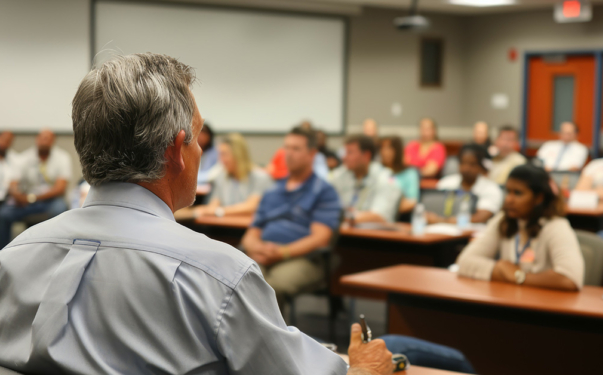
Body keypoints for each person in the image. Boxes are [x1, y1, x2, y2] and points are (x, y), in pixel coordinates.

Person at [0, 53, 393, 374]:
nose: (203, 152)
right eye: (198, 136)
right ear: (176, 151)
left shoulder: (14, 258)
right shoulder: (218, 277)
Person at [241, 127, 341, 311]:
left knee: (270, 287)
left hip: (305, 258)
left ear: (312, 154)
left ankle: (273, 339)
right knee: (241, 278)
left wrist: (282, 252)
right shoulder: (273, 191)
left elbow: (321, 238)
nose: (289, 153)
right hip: (266, 253)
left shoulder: (323, 191)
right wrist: (258, 248)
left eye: (296, 149)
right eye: (286, 147)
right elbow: (251, 234)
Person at [456, 164, 585, 291]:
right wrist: (501, 269)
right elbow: (464, 261)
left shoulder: (556, 226)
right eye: (508, 192)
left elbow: (571, 278)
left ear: (538, 198)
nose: (509, 200)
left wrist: (520, 277)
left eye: (517, 193)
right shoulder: (503, 220)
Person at [0, 129, 71, 248]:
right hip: (27, 201)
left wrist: (33, 198)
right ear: (36, 139)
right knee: (4, 214)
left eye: (48, 139)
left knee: (60, 210)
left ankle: (56, 250)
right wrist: (18, 196)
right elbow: (12, 184)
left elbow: (60, 188)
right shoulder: (24, 157)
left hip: (51, 200)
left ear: (53, 141)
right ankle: (3, 254)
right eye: (42, 138)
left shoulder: (62, 157)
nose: (44, 141)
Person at [192, 133, 273, 218]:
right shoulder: (221, 177)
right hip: (225, 226)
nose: (221, 159)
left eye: (224, 154)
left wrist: (219, 211)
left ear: (238, 155)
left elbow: (251, 207)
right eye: (220, 154)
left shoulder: (261, 177)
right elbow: (213, 205)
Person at [330, 135, 402, 224]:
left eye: (350, 152)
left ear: (366, 155)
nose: (344, 157)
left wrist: (344, 217)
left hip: (374, 235)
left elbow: (379, 216)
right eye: (345, 152)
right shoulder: (341, 175)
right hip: (343, 232)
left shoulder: (385, 178)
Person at [429, 144, 502, 224]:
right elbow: (430, 212)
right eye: (463, 163)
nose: (466, 168)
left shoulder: (491, 189)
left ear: (481, 166)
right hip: (440, 232)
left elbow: (481, 217)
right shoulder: (445, 184)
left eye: (472, 164)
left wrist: (444, 221)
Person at [380, 136, 419, 213]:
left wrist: (387, 209)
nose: (385, 152)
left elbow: (411, 202)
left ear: (398, 151)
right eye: (382, 148)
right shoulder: (377, 170)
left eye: (389, 148)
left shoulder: (409, 173)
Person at [0, 131, 19, 203]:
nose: (4, 143)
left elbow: (14, 182)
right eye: (3, 139)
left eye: (8, 141)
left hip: (6, 200)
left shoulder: (14, 160)